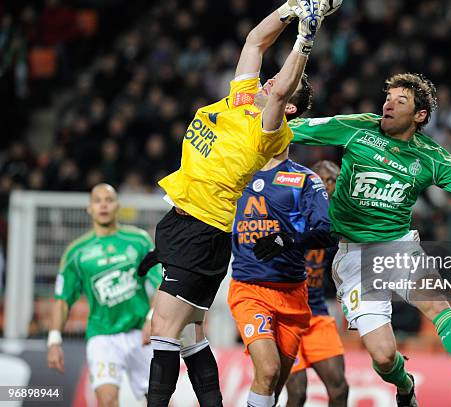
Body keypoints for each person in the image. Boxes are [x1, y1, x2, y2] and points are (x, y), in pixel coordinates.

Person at [283, 73, 451, 406]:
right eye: (388, 98)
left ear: (420, 116)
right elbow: (293, 130)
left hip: (398, 246)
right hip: (353, 256)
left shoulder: (432, 157)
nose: (388, 104)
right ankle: (405, 385)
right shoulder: (357, 127)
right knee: (382, 356)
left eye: (400, 101)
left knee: (436, 304)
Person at [143, 1, 331, 405]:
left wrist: (305, 37)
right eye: (268, 79)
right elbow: (254, 42)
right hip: (182, 220)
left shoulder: (270, 131)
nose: (268, 83)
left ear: (289, 108)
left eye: (278, 86)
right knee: (192, 334)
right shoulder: (242, 99)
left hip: (203, 226)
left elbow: (282, 87)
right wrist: (292, 8)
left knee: (163, 329)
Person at [228, 147, 339, 407]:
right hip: (250, 289)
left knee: (276, 388)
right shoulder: (237, 174)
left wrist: (288, 239)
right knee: (270, 371)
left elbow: (330, 235)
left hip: (297, 299)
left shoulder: (306, 181)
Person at [47, 183, 162, 407]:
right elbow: (62, 300)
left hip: (141, 333)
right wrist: (53, 341)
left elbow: (160, 282)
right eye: (97, 200)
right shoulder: (76, 252)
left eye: (108, 200)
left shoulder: (139, 241)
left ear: (117, 206)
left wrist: (151, 318)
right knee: (107, 401)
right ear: (89, 208)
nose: (103, 205)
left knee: (159, 400)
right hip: (102, 337)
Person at [285, 160, 348, 407]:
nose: (331, 186)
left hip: (317, 313)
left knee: (340, 389)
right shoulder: (290, 213)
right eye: (326, 179)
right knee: (298, 393)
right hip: (286, 313)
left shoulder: (335, 224)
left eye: (335, 181)